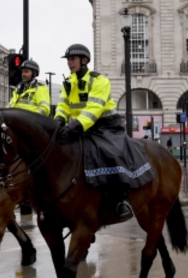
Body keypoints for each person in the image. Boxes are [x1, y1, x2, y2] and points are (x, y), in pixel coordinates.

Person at [53, 43, 132, 222]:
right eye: (68, 60)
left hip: (106, 126)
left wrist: (73, 127)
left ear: (84, 60)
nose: (69, 63)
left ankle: (123, 199)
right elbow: (64, 106)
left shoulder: (99, 80)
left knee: (113, 153)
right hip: (81, 127)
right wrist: (58, 121)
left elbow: (94, 109)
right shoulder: (68, 83)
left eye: (72, 59)